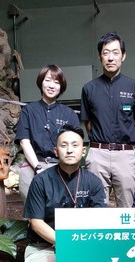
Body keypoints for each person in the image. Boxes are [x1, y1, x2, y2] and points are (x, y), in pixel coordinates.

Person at [20, 124, 106, 262]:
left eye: (75, 145)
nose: (69, 150)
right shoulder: (40, 181)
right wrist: (65, 242)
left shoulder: (94, 182)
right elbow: (36, 223)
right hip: (45, 248)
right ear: (55, 151)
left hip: (82, 248)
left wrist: (76, 246)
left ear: (83, 151)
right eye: (64, 145)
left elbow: (99, 219)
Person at [80, 32, 135, 208]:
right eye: (106, 52)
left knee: (127, 205)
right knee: (96, 205)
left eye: (115, 52)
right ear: (100, 56)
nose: (110, 58)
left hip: (124, 155)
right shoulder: (89, 89)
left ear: (123, 56)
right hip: (97, 154)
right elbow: (88, 123)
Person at [15, 64, 80, 202]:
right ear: (41, 82)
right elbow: (24, 142)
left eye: (56, 82)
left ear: (61, 86)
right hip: (34, 164)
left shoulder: (69, 114)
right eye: (48, 80)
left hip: (61, 166)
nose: (51, 86)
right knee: (33, 211)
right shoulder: (29, 110)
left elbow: (74, 145)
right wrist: (38, 168)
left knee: (61, 211)